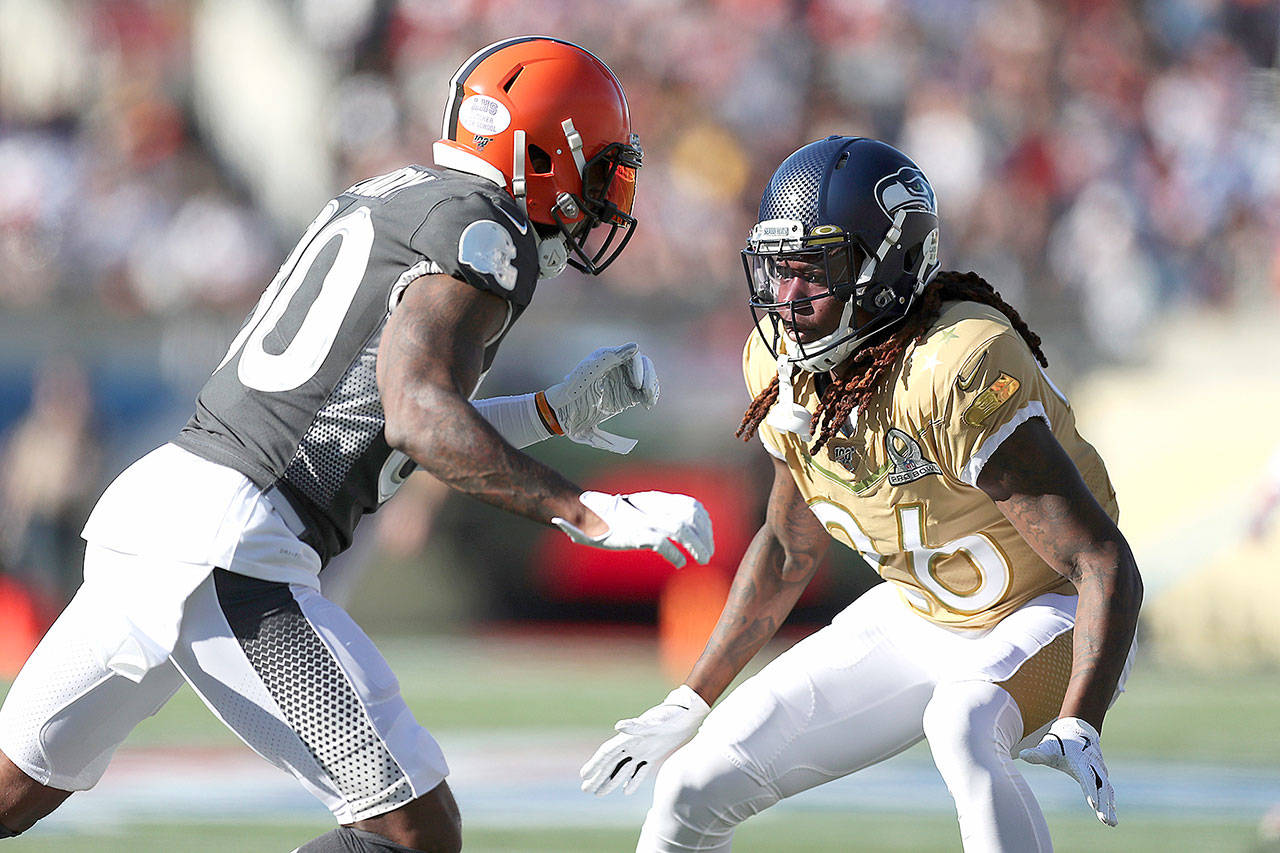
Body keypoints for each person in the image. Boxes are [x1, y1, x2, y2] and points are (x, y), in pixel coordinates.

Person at [0, 37, 713, 853]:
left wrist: (553, 412)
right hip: (231, 545)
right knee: (413, 831)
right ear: (545, 149)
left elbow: (385, 428)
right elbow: (419, 418)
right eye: (598, 175)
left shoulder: (395, 194)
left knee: (12, 787)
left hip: (166, 505)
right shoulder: (487, 232)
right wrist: (585, 510)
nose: (601, 204)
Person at [581, 136, 1142, 852]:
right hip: (922, 613)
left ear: (889, 268)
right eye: (780, 269)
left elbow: (1101, 561)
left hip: (1049, 608)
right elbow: (786, 549)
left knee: (964, 723)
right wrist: (690, 697)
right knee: (690, 787)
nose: (788, 297)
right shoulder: (780, 364)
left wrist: (1081, 717)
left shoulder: (954, 365)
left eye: (814, 270)